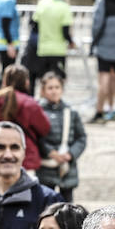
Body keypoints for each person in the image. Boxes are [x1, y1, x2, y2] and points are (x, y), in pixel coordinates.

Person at [0, 64, 51, 172]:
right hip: (25, 157)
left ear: (4, 81)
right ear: (26, 82)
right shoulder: (30, 104)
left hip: (0, 158)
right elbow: (45, 128)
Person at [36, 72, 87, 203]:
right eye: (50, 88)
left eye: (57, 87)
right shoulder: (38, 112)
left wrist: (71, 154)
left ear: (62, 89)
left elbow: (81, 138)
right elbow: (36, 136)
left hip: (67, 167)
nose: (54, 91)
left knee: (67, 204)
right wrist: (50, 152)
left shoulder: (71, 112)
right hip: (46, 167)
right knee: (46, 203)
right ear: (43, 91)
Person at [31, 0, 75, 88]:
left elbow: (34, 25)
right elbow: (65, 31)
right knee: (58, 81)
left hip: (43, 49)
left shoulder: (42, 4)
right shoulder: (64, 7)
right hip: (58, 50)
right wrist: (71, 42)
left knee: (44, 81)